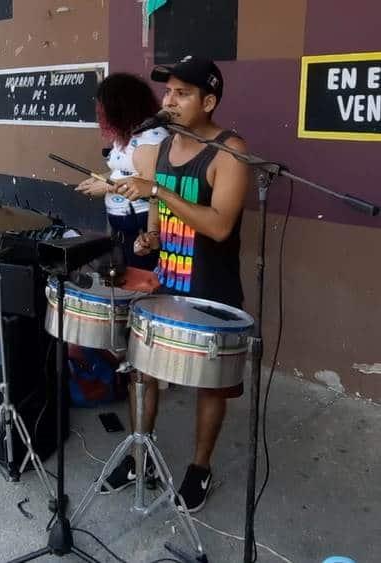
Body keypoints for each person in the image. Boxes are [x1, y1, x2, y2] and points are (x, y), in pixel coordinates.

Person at [101, 56, 251, 513]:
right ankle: (139, 453)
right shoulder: (164, 149)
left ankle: (199, 468)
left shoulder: (230, 152)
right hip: (166, 285)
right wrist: (151, 238)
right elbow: (161, 221)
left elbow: (220, 226)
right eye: (167, 91)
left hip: (211, 290)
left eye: (182, 93)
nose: (170, 100)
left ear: (209, 101)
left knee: (210, 386)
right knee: (141, 372)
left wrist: (158, 191)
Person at [75, 73, 168, 270]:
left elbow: (148, 184)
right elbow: (124, 171)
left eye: (103, 107)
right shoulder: (126, 134)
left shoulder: (150, 138)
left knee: (139, 283)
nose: (100, 112)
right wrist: (100, 179)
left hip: (142, 225)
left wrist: (106, 187)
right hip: (123, 226)